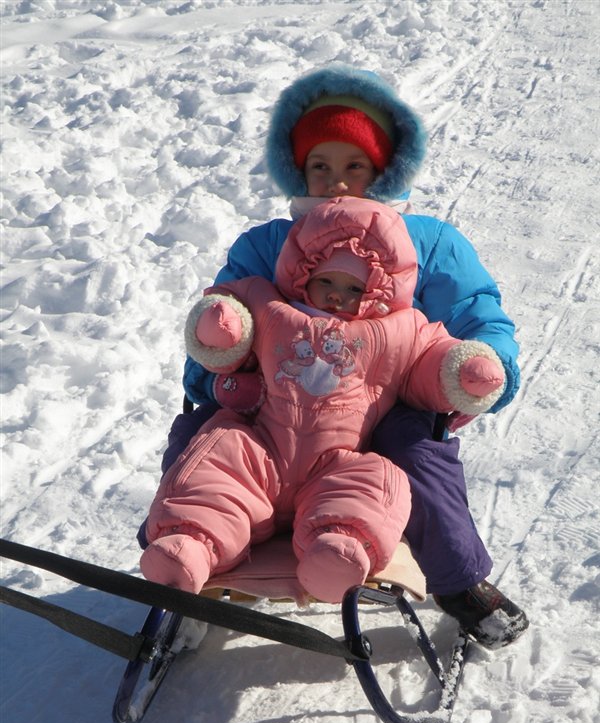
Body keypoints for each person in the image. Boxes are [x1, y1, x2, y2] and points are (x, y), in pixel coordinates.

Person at [139, 64, 528, 648]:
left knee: (417, 451)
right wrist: (215, 374)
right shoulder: (265, 245)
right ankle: (189, 556)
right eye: (320, 167)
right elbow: (219, 319)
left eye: (355, 167)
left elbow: (479, 315)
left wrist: (477, 374)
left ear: (382, 171)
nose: (337, 183)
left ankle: (458, 582)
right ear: (299, 172)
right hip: (274, 402)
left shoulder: (430, 243)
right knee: (199, 435)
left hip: (382, 408)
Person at [141, 197, 508, 627]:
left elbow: (432, 355)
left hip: (340, 457)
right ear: (303, 273)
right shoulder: (274, 305)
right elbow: (231, 311)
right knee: (217, 457)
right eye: (327, 281)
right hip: (261, 445)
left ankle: (337, 552)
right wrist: (223, 331)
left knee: (376, 480)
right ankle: (190, 547)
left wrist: (464, 371)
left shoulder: (398, 328)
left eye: (354, 289)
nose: (337, 294)